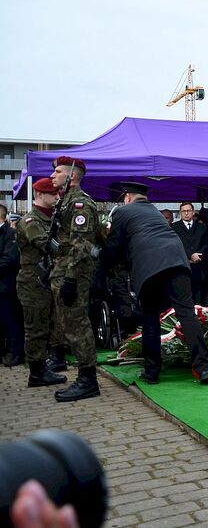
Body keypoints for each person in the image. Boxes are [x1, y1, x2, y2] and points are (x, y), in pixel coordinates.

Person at [101, 182, 208, 384]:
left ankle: (152, 372)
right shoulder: (153, 212)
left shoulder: (123, 212)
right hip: (178, 263)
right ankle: (204, 369)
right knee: (187, 315)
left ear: (127, 197)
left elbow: (114, 247)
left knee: (150, 319)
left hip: (149, 268)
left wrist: (101, 260)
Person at [48, 156, 101, 403]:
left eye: (58, 172)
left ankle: (88, 379)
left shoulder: (80, 204)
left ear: (72, 176)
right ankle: (85, 377)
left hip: (74, 275)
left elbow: (82, 246)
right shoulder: (65, 203)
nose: (52, 176)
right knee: (68, 325)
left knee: (78, 326)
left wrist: (70, 279)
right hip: (63, 271)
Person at [15, 179, 67, 386]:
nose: (57, 197)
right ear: (39, 194)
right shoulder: (30, 221)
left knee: (55, 322)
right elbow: (48, 245)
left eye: (58, 193)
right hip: (33, 281)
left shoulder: (53, 218)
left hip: (50, 278)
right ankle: (36, 372)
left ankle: (52, 361)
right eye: (52, 193)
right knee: (36, 327)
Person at [171, 201, 208, 305]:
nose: (186, 213)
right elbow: (174, 245)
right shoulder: (173, 227)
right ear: (180, 213)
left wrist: (198, 254)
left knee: (199, 299)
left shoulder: (202, 227)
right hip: (182, 268)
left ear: (193, 212)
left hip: (199, 268)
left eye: (188, 211)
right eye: (183, 211)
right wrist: (190, 255)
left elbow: (206, 244)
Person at [1, 202, 24, 367]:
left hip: (6, 286)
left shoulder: (10, 234)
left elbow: (10, 259)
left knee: (10, 320)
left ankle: (15, 353)